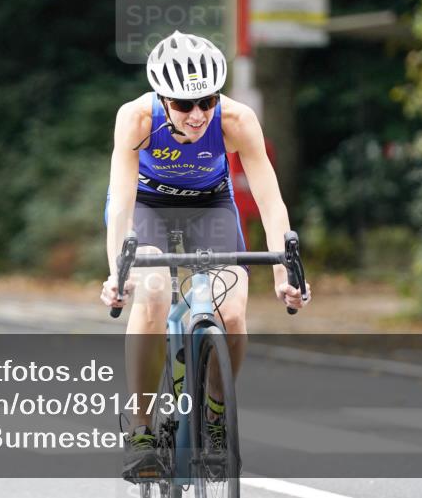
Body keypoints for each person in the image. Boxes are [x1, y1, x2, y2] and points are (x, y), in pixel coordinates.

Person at [99, 31, 307, 476]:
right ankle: (140, 429)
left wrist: (283, 274)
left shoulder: (236, 119)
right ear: (161, 98)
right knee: (153, 293)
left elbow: (271, 200)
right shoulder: (135, 118)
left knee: (231, 310)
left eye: (206, 101)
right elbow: (120, 202)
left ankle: (215, 410)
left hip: (209, 206)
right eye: (182, 104)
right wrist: (117, 272)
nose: (197, 115)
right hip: (148, 206)